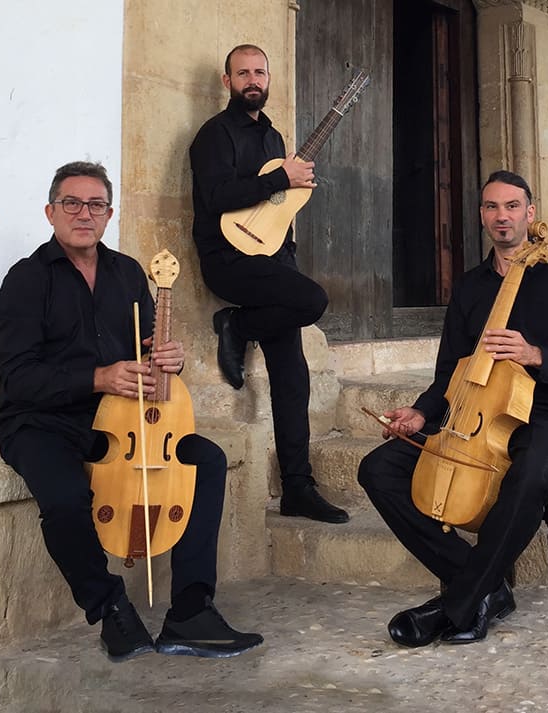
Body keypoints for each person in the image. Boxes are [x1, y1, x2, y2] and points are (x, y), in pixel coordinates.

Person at [0, 161, 263, 662]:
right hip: (42, 422)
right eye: (71, 203)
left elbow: (147, 350)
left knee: (207, 461)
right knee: (66, 496)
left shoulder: (128, 273)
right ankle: (110, 606)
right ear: (51, 211)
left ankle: (191, 610)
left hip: (124, 423)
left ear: (109, 214)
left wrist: (168, 359)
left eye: (95, 205)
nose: (83, 213)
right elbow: (18, 378)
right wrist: (97, 377)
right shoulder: (26, 281)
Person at [357, 171, 548, 647]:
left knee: (530, 474)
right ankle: (487, 586)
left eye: (512, 206)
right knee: (379, 469)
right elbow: (448, 372)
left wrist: (535, 355)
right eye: (492, 207)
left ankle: (459, 602)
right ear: (481, 216)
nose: (502, 216)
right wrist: (418, 413)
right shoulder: (471, 287)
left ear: (529, 214)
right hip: (470, 419)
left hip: (545, 416)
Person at [189, 43, 348, 524]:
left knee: (292, 373)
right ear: (227, 81)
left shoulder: (275, 136)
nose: (252, 80)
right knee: (314, 299)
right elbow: (217, 197)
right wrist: (279, 176)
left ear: (269, 77)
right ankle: (237, 323)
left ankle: (298, 486)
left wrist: (291, 191)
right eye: (243, 73)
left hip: (274, 258)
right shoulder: (213, 136)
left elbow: (277, 208)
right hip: (227, 258)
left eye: (259, 72)